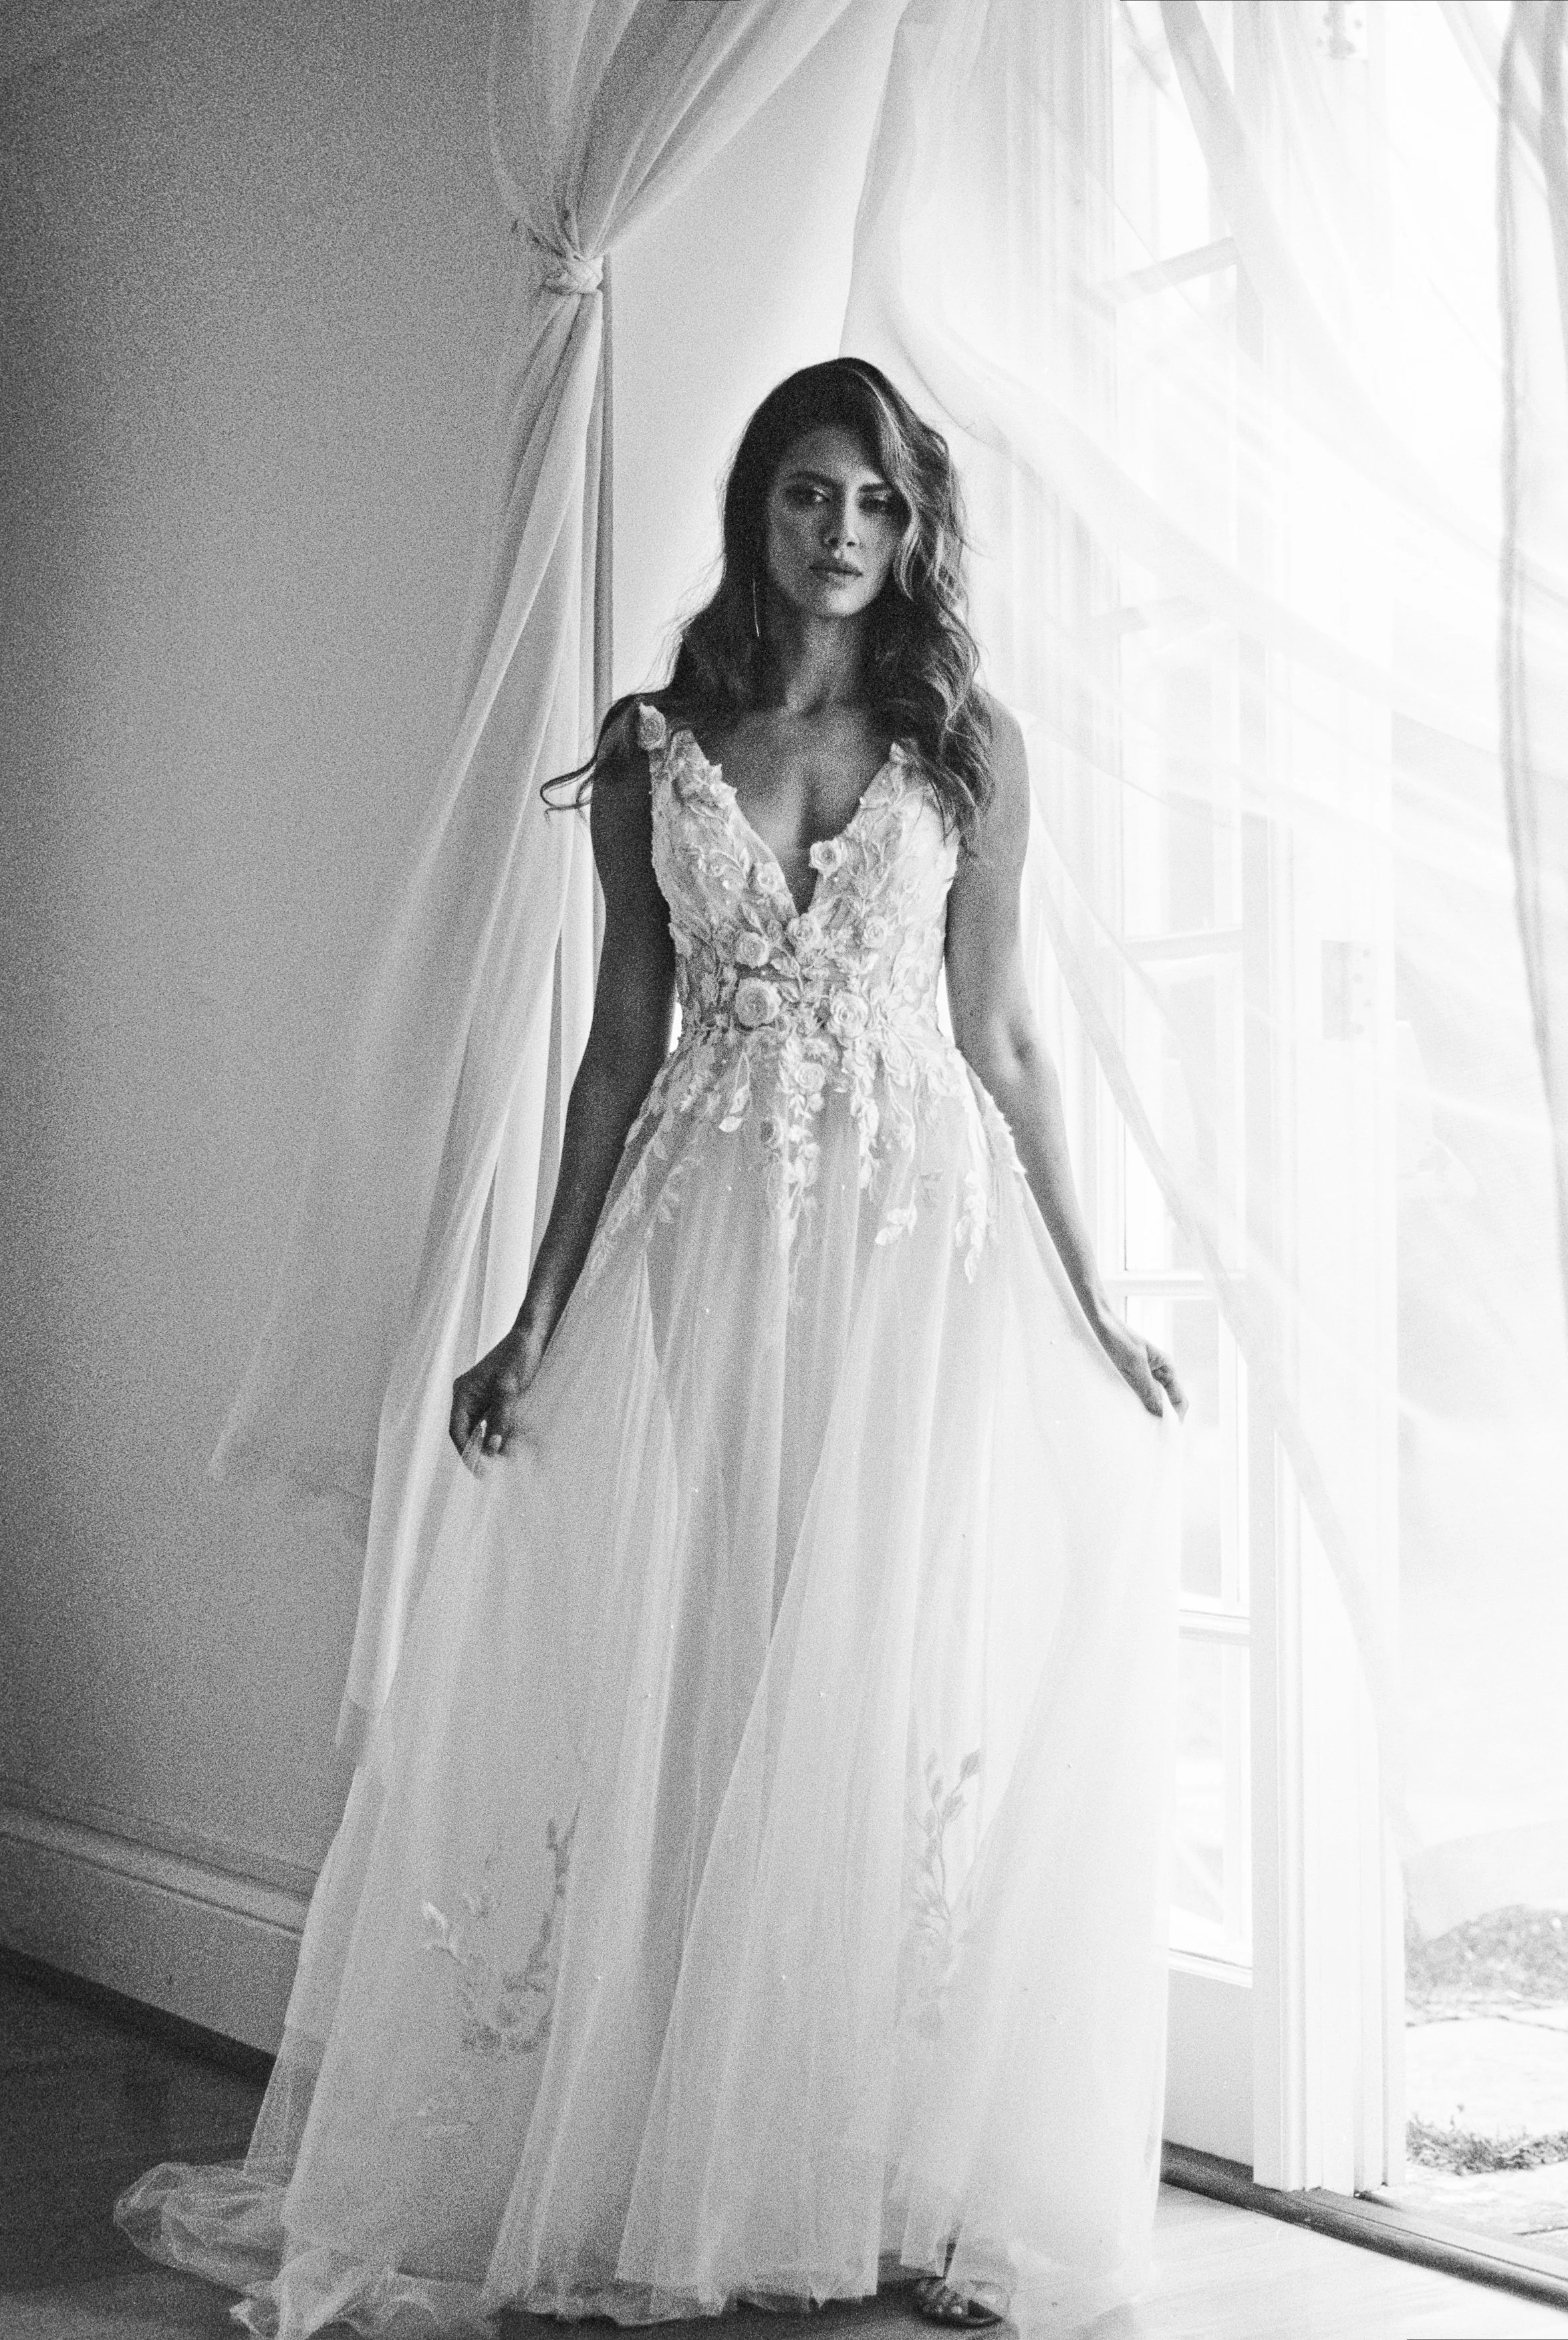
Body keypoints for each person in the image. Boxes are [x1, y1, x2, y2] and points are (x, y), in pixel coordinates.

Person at [118, 359, 1184, 2339]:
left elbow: (1002, 1033)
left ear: (914, 522)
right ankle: (674, 2135)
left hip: (908, 1254)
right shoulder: (655, 746)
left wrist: (1093, 1292)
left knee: (874, 1672)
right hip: (709, 1238)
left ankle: (865, 2145)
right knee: (707, 1658)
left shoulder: (968, 748)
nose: (842, 534)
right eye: (807, 495)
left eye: (874, 501)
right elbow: (616, 1044)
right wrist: (535, 1317)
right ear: (755, 510)